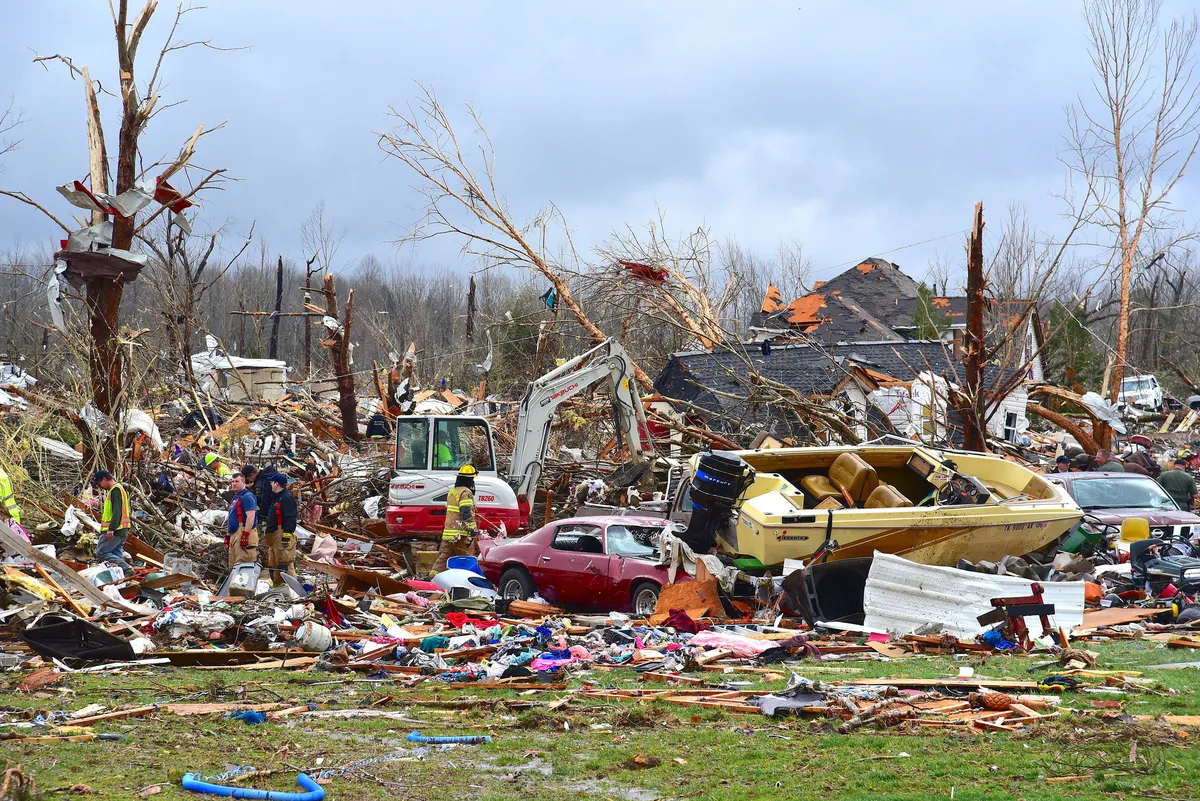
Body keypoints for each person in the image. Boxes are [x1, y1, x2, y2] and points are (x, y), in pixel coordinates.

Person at [432, 464, 479, 574]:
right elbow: (466, 512)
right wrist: (473, 529)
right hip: (461, 534)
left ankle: (433, 578)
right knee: (467, 558)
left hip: (448, 533)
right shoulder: (465, 493)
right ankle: (469, 579)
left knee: (443, 558)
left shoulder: (452, 492)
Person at [263, 473, 298, 583]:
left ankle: (290, 589)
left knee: (284, 563)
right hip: (273, 535)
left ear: (276, 484)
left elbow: (290, 516)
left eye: (272, 482)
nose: (271, 485)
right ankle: (278, 589)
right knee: (274, 564)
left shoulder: (286, 498)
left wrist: (287, 535)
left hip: (281, 533)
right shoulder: (277, 497)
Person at [94, 470, 132, 571]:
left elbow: (117, 511)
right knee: (116, 554)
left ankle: (127, 568)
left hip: (115, 530)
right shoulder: (119, 489)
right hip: (122, 529)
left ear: (104, 479)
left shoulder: (115, 490)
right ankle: (121, 576)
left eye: (99, 483)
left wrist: (111, 529)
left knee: (101, 552)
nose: (100, 486)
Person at [226, 472, 258, 568]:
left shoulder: (247, 497)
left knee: (243, 566)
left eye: (237, 481)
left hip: (243, 532)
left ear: (243, 482)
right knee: (233, 566)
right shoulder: (236, 497)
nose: (234, 484)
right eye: (232, 481)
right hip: (234, 534)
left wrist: (246, 534)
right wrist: (228, 535)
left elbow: (251, 516)